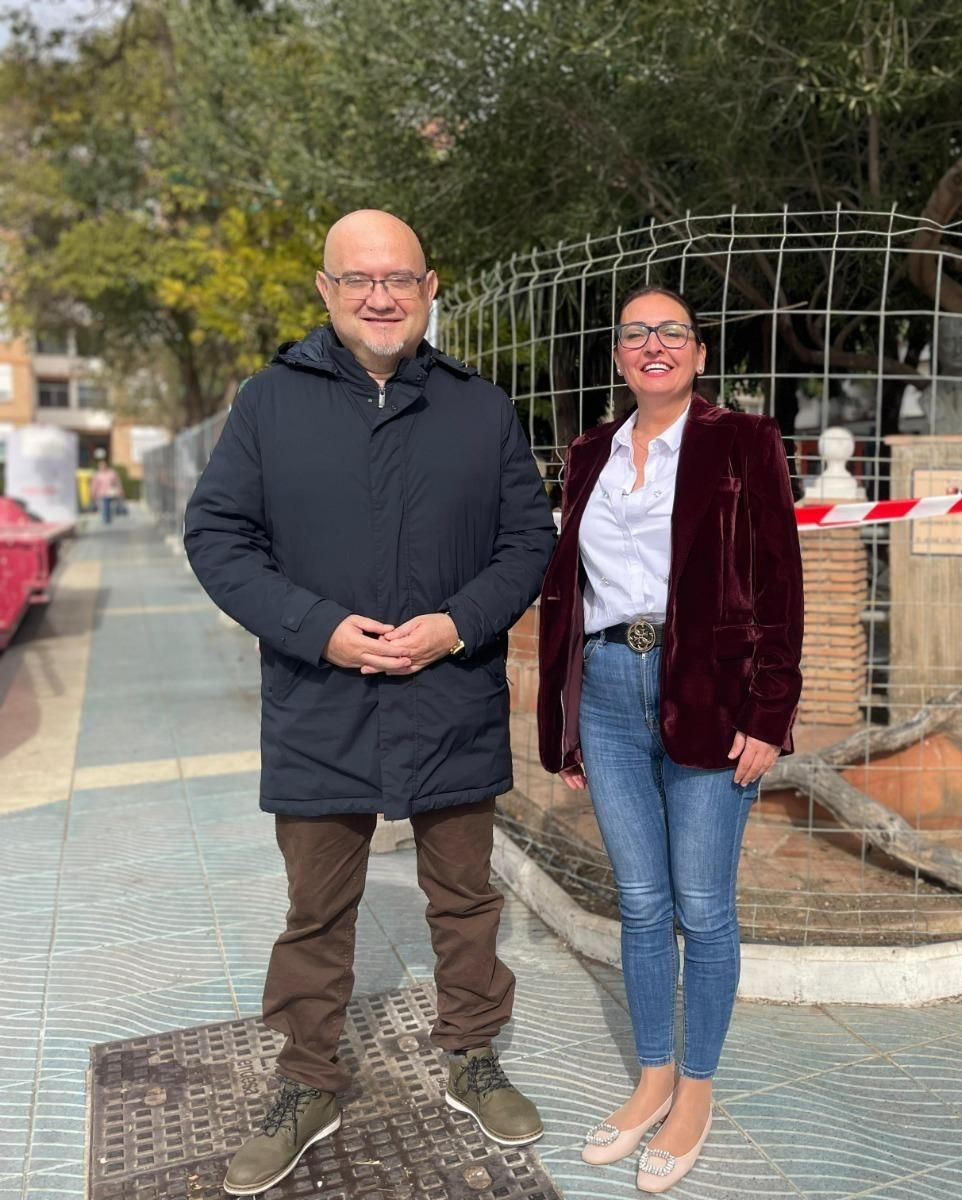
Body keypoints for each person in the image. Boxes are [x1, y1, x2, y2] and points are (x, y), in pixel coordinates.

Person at [184, 209, 557, 1196]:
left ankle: (472, 1057)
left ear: (430, 289)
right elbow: (218, 537)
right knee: (316, 912)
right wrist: (318, 628)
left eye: (399, 279)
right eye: (359, 280)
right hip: (321, 698)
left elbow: (528, 542)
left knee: (467, 900)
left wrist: (455, 624)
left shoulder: (481, 409)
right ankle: (308, 1080)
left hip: (450, 693)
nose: (381, 296)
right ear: (325, 290)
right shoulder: (269, 404)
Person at [536, 285, 804, 1193]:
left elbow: (781, 587)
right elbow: (569, 595)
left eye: (672, 332)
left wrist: (770, 716)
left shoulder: (742, 442)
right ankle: (653, 1076)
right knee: (642, 903)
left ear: (696, 351)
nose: (654, 345)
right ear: (618, 357)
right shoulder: (588, 457)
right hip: (608, 694)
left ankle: (696, 1091)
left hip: (711, 698)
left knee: (703, 907)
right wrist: (564, 720)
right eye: (636, 335)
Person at [89, 457, 122, 525]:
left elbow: (117, 482)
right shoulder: (97, 475)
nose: (102, 467)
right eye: (101, 466)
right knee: (105, 505)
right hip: (101, 494)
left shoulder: (112, 473)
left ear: (106, 466)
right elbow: (94, 485)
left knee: (108, 505)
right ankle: (106, 518)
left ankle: (107, 517)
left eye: (103, 465)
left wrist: (120, 490)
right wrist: (92, 493)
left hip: (111, 493)